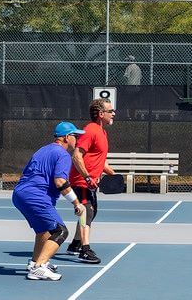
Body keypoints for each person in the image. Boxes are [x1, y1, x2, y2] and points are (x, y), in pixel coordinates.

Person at [12, 121, 86, 281]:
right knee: (60, 231)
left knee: (44, 231)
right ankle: (39, 267)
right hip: (35, 196)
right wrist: (76, 203)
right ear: (67, 137)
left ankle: (35, 263)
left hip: (20, 194)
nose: (77, 140)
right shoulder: (63, 154)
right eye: (75, 136)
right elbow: (60, 181)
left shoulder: (43, 150)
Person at [66, 98, 116, 264]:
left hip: (91, 181)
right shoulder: (90, 130)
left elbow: (100, 159)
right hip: (81, 180)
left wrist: (113, 174)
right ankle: (85, 250)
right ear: (101, 114)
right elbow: (76, 155)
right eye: (111, 111)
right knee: (86, 211)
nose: (113, 113)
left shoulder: (102, 132)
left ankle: (75, 244)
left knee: (90, 212)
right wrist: (87, 176)